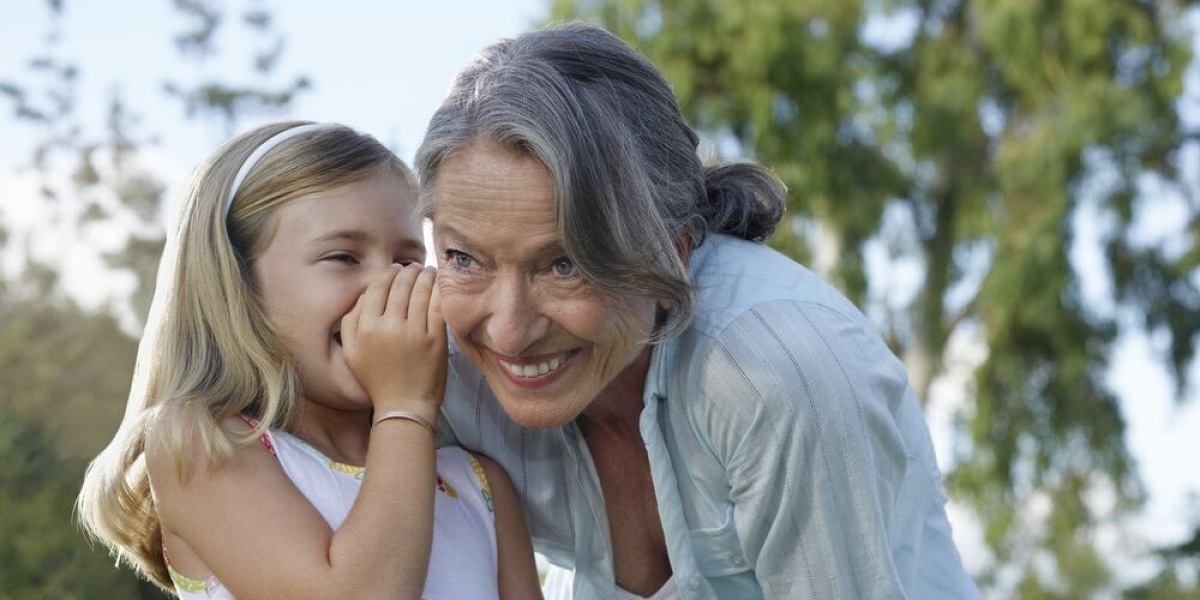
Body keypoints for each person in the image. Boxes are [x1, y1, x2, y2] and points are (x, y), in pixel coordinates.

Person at [415, 22, 980, 600]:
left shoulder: (778, 376)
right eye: (464, 258)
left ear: (675, 253)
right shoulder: (433, 367)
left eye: (565, 265)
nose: (508, 329)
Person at [76, 121, 542, 600]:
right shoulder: (200, 443)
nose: (387, 286)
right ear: (241, 288)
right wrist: (405, 405)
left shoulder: (480, 488)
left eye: (407, 262)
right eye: (343, 257)